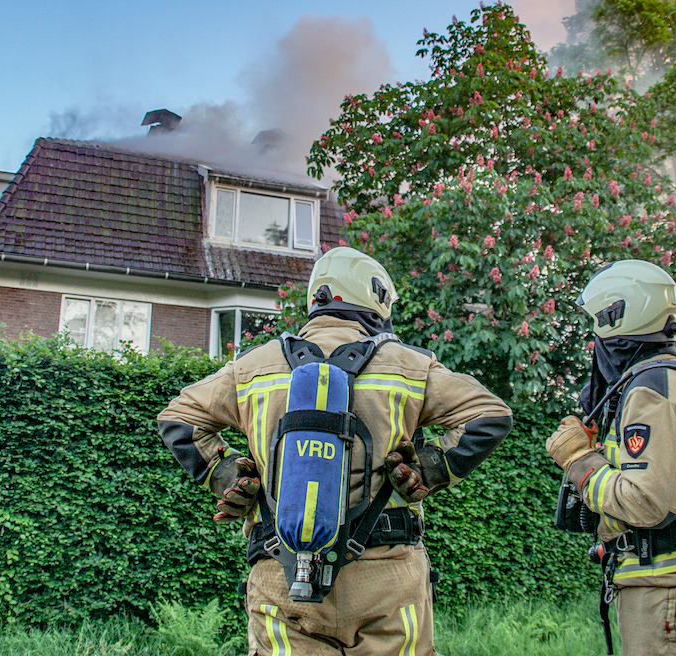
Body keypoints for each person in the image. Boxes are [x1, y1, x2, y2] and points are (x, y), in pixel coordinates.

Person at [159, 246, 512, 656]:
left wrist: (225, 475)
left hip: (281, 575)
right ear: (375, 297)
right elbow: (490, 414)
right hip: (388, 577)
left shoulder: (251, 367)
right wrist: (431, 468)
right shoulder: (410, 365)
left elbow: (179, 418)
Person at [545, 259, 676, 656]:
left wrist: (579, 460)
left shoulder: (651, 390)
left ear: (614, 317)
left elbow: (647, 501)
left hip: (671, 595)